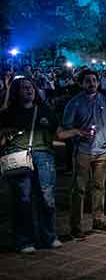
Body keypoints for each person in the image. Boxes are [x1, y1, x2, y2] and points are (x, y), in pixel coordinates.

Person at [0, 77, 65, 252]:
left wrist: (77, 132)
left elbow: (58, 132)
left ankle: (49, 236)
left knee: (46, 197)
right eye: (23, 88)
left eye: (30, 87)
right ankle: (24, 241)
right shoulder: (8, 113)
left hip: (43, 156)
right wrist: (8, 132)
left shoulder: (45, 110)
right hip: (18, 156)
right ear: (16, 92)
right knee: (23, 199)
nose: (28, 90)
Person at [62, 69, 106, 236]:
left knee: (99, 186)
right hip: (83, 151)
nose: (92, 83)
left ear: (98, 82)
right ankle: (76, 226)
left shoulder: (105, 100)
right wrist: (79, 133)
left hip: (103, 150)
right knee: (79, 189)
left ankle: (98, 220)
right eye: (88, 81)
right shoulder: (74, 103)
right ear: (81, 83)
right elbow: (66, 126)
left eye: (94, 80)